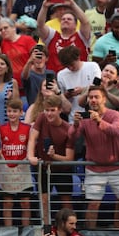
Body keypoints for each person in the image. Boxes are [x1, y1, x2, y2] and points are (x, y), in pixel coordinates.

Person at [70, 86, 119, 228]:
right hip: (95, 168)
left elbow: (116, 131)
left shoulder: (115, 114)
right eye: (90, 97)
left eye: (96, 97)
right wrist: (75, 125)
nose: (93, 100)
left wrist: (99, 121)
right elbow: (72, 137)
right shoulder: (85, 118)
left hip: (117, 166)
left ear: (104, 99)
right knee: (93, 204)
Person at [26, 95, 75, 225]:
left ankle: (69, 227)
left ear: (60, 110)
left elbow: (69, 158)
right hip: (43, 167)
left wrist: (54, 156)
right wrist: (30, 156)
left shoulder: (68, 129)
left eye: (52, 110)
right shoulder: (41, 117)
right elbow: (32, 138)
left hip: (62, 170)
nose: (49, 113)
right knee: (44, 199)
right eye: (47, 110)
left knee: (66, 201)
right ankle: (46, 226)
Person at [0, 99, 32, 226]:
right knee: (7, 203)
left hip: (23, 168)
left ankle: (26, 231)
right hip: (6, 169)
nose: (11, 114)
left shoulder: (27, 128)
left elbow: (31, 146)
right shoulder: (1, 128)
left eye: (15, 111)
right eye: (9, 111)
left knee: (25, 203)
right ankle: (8, 231)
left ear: (21, 113)